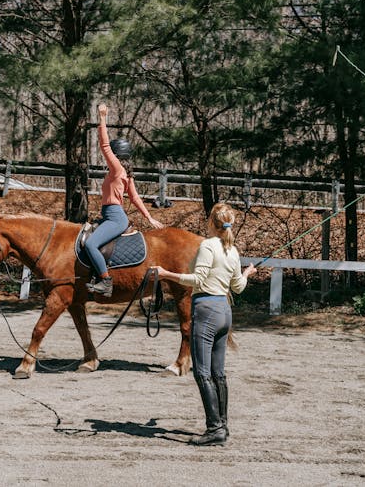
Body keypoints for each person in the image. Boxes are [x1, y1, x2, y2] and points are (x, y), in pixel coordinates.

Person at [152, 203, 256, 446]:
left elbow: (197, 279)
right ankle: (223, 425)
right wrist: (247, 274)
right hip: (224, 312)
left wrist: (166, 274)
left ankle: (214, 428)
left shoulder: (208, 246)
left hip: (207, 310)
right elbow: (238, 287)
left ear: (212, 222)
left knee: (202, 372)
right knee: (218, 372)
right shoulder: (232, 250)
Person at [86, 103, 164, 297]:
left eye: (112, 154)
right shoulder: (126, 174)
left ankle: (105, 281)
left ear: (116, 155)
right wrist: (149, 218)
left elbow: (104, 145)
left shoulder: (116, 169)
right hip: (111, 215)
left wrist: (103, 117)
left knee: (90, 244)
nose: (109, 156)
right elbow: (135, 198)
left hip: (114, 216)